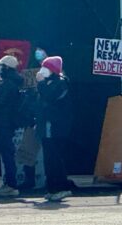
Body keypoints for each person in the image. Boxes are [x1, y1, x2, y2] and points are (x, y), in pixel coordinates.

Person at [36, 56, 74, 202]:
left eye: (45, 67)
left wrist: (40, 84)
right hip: (46, 127)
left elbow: (50, 97)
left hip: (56, 127)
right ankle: (52, 188)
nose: (42, 70)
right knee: (48, 158)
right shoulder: (47, 83)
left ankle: (61, 187)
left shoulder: (61, 83)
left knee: (55, 157)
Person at [0, 55, 23, 197]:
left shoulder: (8, 84)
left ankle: (11, 184)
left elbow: (0, 102)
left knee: (7, 154)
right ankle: (9, 182)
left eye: (1, 66)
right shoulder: (12, 82)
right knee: (7, 153)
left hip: (4, 122)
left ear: (7, 68)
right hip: (8, 122)